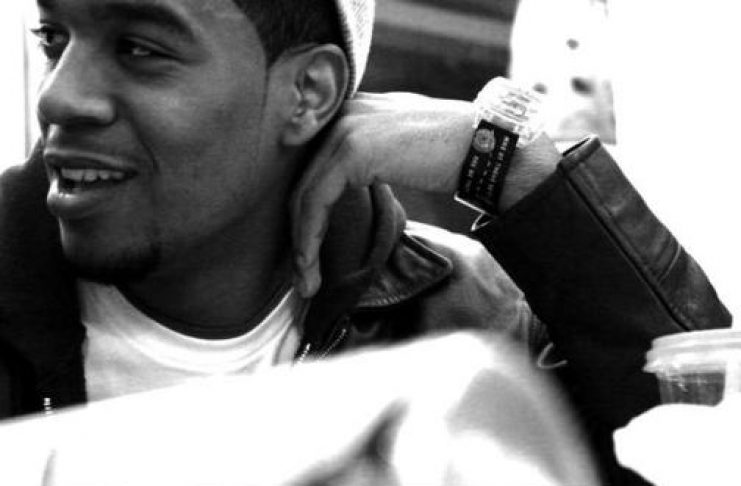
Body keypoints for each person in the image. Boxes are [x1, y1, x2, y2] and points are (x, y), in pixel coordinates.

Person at [0, 0, 730, 484]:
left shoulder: (477, 320)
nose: (58, 96)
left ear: (309, 93)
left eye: (139, 48)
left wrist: (509, 165)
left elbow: (699, 432)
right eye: (53, 39)